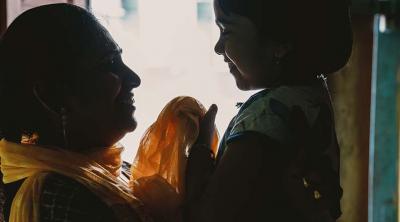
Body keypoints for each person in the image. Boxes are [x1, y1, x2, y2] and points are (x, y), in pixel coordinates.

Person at [184, 0, 352, 221]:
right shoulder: (311, 96)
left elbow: (206, 216)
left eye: (226, 30)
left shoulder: (265, 119)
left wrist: (200, 149)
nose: (217, 48)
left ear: (280, 43)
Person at [0, 4, 144, 222]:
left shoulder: (111, 170)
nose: (134, 79)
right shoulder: (62, 198)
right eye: (110, 64)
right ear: (52, 96)